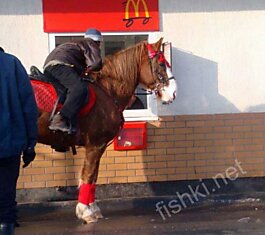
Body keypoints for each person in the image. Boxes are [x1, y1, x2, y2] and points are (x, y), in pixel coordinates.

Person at [0, 49, 38, 235]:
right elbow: (28, 107)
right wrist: (30, 144)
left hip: (10, 143)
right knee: (6, 200)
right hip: (9, 144)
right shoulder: (12, 64)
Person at [43, 28, 103, 134]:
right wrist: (89, 72)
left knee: (67, 95)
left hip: (49, 68)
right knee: (80, 88)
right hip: (60, 66)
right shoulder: (90, 43)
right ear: (97, 42)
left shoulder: (74, 43)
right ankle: (60, 119)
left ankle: (63, 132)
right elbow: (95, 63)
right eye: (99, 44)